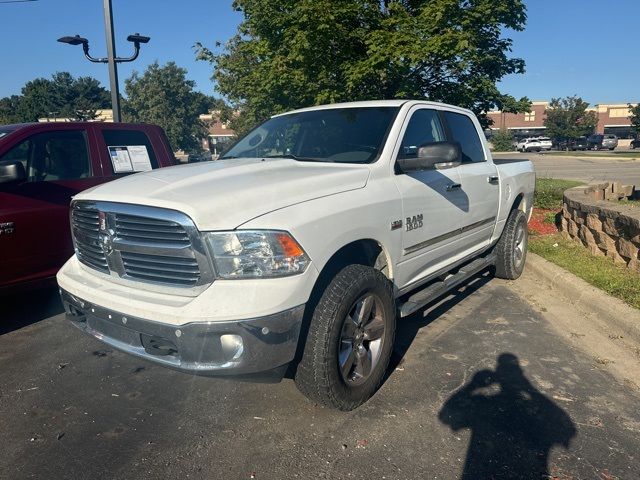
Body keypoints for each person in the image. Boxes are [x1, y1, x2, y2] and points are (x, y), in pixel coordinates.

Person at [439, 353, 576, 479]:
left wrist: (473, 385)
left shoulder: (483, 403)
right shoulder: (528, 407)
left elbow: (445, 415)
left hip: (481, 471)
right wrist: (531, 390)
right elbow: (567, 429)